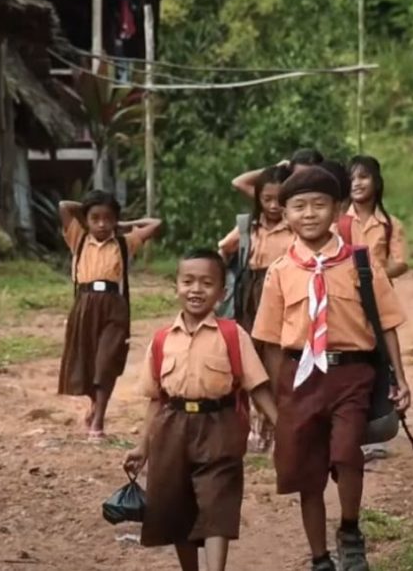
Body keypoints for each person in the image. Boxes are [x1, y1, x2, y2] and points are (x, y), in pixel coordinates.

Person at [252, 167, 411, 571]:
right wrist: (275, 398)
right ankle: (320, 557)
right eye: (299, 207)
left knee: (346, 454)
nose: (309, 214)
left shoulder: (361, 264)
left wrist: (400, 377)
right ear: (285, 213)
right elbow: (269, 342)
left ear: (337, 209)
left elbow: (387, 324)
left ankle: (351, 531)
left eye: (320, 205)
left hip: (350, 374)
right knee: (308, 473)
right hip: (299, 377)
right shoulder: (279, 273)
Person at [124, 249, 278, 571]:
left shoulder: (233, 335)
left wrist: (281, 424)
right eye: (188, 281)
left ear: (221, 293)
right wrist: (143, 446)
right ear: (176, 287)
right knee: (178, 506)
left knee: (218, 501)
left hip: (220, 426)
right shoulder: (163, 339)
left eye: (206, 283)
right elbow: (156, 399)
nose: (196, 289)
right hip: (172, 427)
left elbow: (257, 385)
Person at [58, 191, 161, 442]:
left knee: (106, 362)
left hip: (114, 307)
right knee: (89, 362)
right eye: (95, 218)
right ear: (87, 220)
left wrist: (123, 224)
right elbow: (64, 205)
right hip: (85, 305)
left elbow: (156, 224)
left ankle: (99, 421)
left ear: (115, 220)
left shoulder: (125, 243)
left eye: (108, 218)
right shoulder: (79, 239)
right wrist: (83, 214)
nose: (102, 224)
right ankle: (94, 405)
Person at [218, 164, 292, 451]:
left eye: (279, 199)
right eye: (267, 199)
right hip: (251, 298)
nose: (273, 206)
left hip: (283, 296)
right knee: (249, 361)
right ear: (258, 198)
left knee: (279, 363)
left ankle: (274, 424)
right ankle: (256, 425)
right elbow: (224, 249)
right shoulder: (248, 225)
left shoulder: (295, 225)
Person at [337, 155, 408, 280]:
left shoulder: (391, 224)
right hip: (346, 293)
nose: (356, 184)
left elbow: (401, 263)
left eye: (363, 177)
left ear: (376, 182)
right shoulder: (337, 223)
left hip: (380, 294)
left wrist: (375, 276)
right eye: (351, 179)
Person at [231, 148, 324, 199]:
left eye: (310, 176)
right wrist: (274, 168)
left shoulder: (328, 200)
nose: (304, 182)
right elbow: (239, 182)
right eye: (298, 176)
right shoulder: (280, 200)